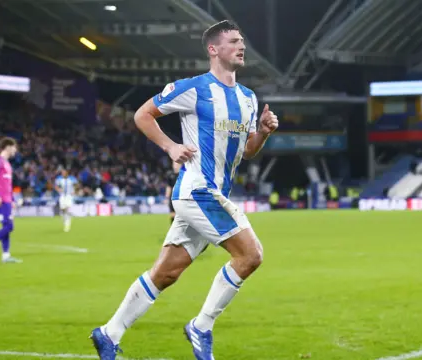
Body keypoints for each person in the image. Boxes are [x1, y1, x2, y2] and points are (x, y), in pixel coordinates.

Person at [89, 20, 279, 360]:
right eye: (234, 41)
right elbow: (143, 114)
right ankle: (201, 326)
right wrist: (170, 146)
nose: (242, 46)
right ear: (213, 49)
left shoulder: (248, 99)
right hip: (197, 190)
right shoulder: (193, 88)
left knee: (166, 273)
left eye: (242, 41)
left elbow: (247, 151)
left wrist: (262, 133)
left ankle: (108, 333)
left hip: (215, 193)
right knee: (250, 255)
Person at [55, 168, 78, 232]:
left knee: (67, 209)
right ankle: (65, 219)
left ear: (67, 173)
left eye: (64, 172)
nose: (63, 174)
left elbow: (77, 185)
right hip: (62, 196)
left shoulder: (71, 178)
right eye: (62, 173)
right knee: (63, 210)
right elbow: (56, 186)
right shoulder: (59, 179)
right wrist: (58, 189)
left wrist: (74, 191)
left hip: (68, 196)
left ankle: (67, 224)